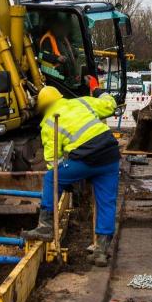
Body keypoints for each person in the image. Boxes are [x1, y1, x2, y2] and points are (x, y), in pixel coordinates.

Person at [21, 86, 121, 266]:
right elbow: (110, 104)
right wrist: (100, 92)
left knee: (51, 178)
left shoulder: (49, 122)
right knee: (107, 202)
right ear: (60, 96)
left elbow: (53, 163)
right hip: (110, 155)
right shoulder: (81, 102)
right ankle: (101, 252)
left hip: (86, 158)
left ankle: (46, 226)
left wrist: (68, 181)